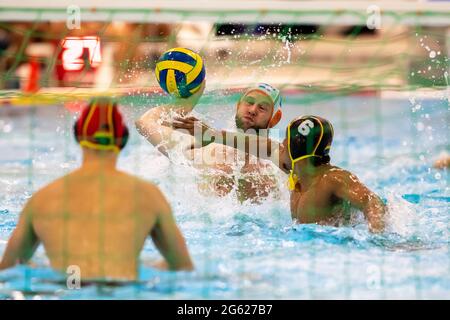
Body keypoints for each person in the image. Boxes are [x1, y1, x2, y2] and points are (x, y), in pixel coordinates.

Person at [0, 97, 193, 281]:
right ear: (123, 139)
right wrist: (138, 265)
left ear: (78, 135)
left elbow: (9, 268)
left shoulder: (42, 199)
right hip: (123, 289)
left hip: (68, 288)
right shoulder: (148, 195)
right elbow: (182, 267)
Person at [170, 115, 386, 233]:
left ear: (296, 150)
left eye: (285, 141)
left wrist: (377, 236)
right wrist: (213, 135)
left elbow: (373, 202)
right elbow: (257, 145)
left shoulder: (334, 179)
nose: (280, 144)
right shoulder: (298, 169)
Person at [135, 82, 283, 203]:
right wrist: (186, 105)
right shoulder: (204, 148)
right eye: (249, 102)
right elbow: (145, 122)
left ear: (275, 119)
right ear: (238, 105)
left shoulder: (278, 165)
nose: (252, 110)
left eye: (262, 108)